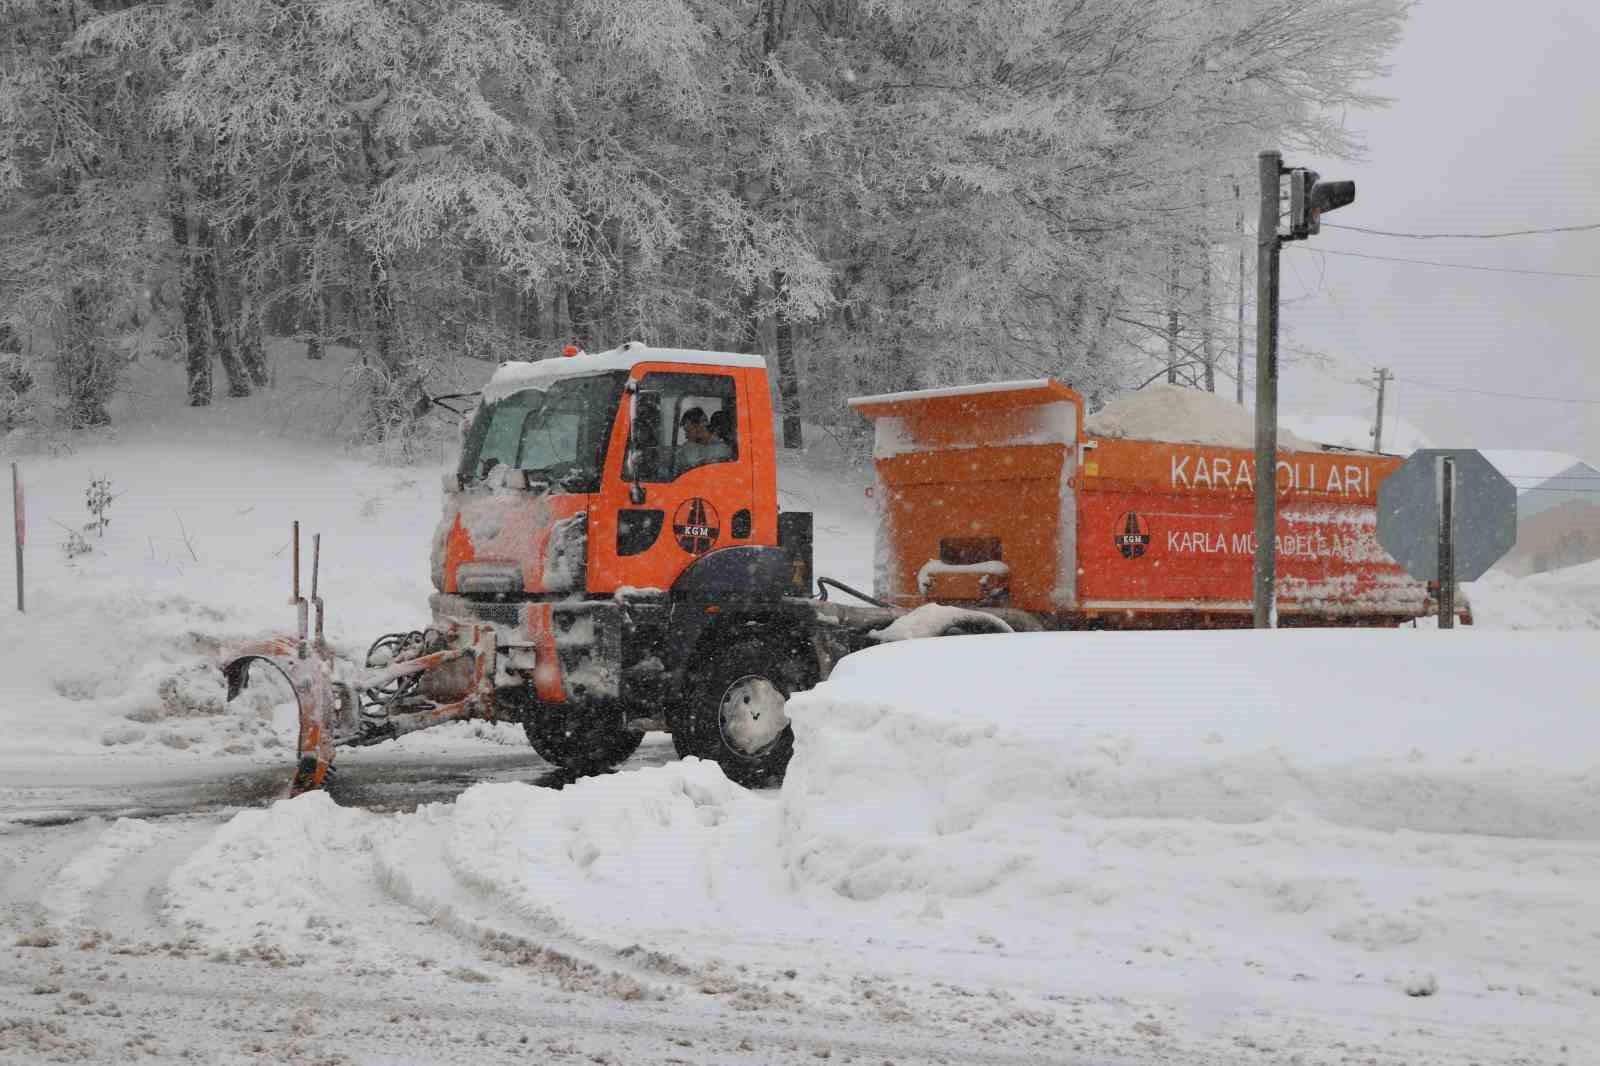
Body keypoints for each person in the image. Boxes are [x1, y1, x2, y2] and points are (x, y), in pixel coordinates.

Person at [676, 406, 733, 474]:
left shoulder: (721, 449)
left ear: (700, 427)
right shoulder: (696, 447)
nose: (686, 436)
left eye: (688, 431)